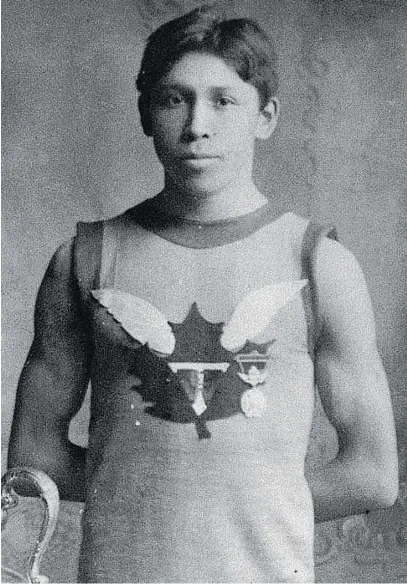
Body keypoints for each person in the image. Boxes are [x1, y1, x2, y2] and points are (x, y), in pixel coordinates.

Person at [7, 5, 399, 583]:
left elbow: (373, 472)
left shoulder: (319, 265)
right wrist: (144, 494)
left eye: (224, 100)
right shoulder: (84, 260)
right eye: (173, 99)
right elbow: (34, 456)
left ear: (265, 117)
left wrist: (237, 504)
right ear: (146, 113)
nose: (197, 126)